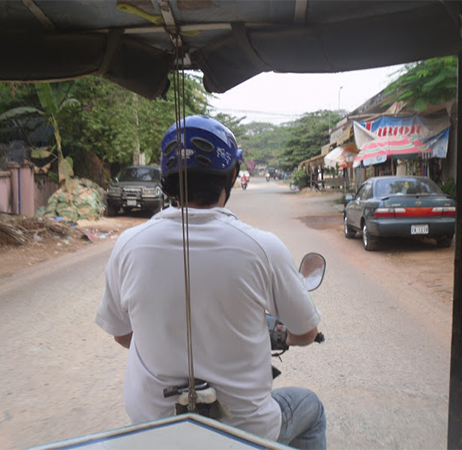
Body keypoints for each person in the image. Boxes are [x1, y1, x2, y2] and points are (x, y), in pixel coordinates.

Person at [95, 115, 326, 449]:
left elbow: (122, 333)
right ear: (232, 176)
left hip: (152, 431)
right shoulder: (263, 247)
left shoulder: (129, 244)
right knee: (311, 409)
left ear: (166, 181)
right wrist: (278, 336)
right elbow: (306, 332)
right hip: (243, 433)